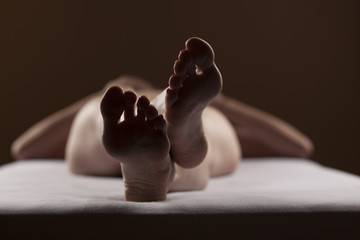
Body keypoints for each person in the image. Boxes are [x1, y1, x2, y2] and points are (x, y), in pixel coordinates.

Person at [11, 37, 313, 202]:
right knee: (216, 139)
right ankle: (178, 149)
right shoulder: (211, 109)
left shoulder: (120, 100)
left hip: (115, 126)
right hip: (198, 120)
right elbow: (299, 146)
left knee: (92, 122)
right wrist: (225, 106)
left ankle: (163, 150)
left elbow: (24, 148)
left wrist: (98, 94)